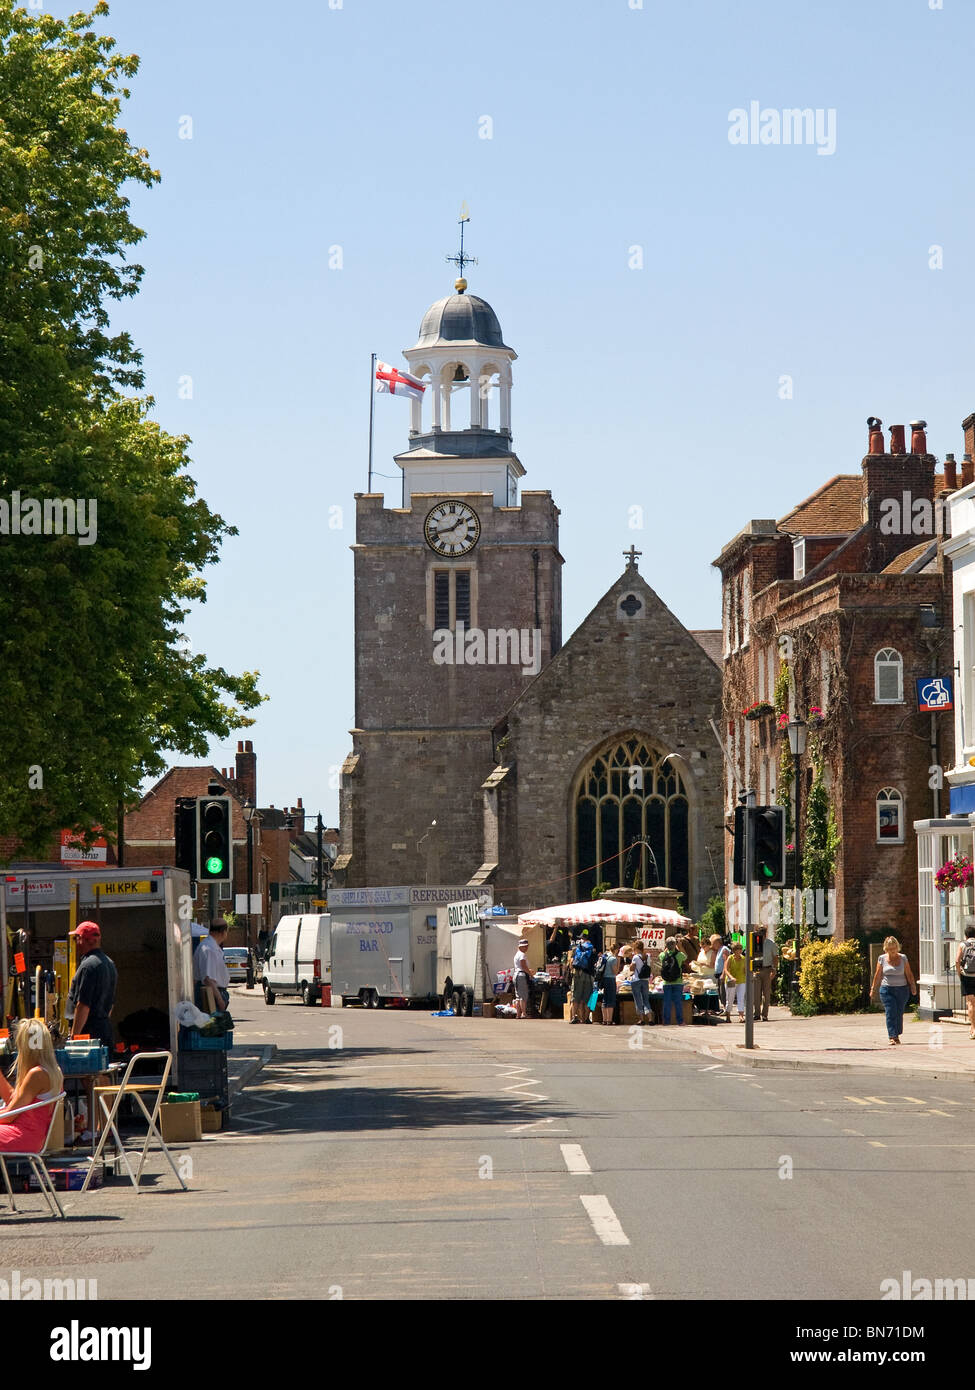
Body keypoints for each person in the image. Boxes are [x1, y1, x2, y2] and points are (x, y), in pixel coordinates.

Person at [0, 1019, 63, 1153]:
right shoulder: (52, 1071)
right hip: (30, 1136)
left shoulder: (36, 1074)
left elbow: (10, 1115)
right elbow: (15, 1103)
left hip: (21, 1135)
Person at [65, 920, 117, 1049]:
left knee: (86, 1069)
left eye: (76, 938)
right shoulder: (109, 964)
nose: (75, 943)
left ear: (84, 940)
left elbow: (83, 1005)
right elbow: (111, 1005)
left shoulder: (88, 966)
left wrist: (74, 1038)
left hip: (88, 1034)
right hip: (104, 1030)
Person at [870, 936, 916, 1046]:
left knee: (899, 1013)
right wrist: (873, 989)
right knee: (890, 1012)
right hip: (887, 989)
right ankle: (892, 1036)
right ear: (885, 949)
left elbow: (908, 974)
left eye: (894, 948)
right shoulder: (882, 958)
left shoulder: (903, 958)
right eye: (889, 949)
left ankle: (897, 1033)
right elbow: (877, 975)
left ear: (897, 947)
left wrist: (913, 986)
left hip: (902, 989)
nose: (892, 951)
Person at [194, 920, 231, 1012]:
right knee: (211, 1025)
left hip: (213, 993)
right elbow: (208, 979)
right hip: (211, 995)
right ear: (223, 932)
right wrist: (220, 1000)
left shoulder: (211, 946)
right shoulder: (209, 949)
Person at [569, 931, 596, 1023]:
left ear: (583, 939)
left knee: (576, 997)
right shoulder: (593, 950)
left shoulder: (577, 949)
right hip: (589, 975)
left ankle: (574, 1017)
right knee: (588, 998)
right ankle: (587, 1018)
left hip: (578, 974)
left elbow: (572, 963)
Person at [752, 928, 779, 1022]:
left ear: (765, 934)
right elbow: (750, 955)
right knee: (756, 993)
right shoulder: (754, 943)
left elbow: (775, 957)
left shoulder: (770, 944)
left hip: (767, 969)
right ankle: (756, 1014)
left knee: (766, 993)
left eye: (763, 933)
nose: (761, 935)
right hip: (756, 970)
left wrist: (774, 969)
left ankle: (765, 1015)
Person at [659, 936, 686, 1025]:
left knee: (667, 1002)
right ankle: (680, 1021)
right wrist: (680, 946)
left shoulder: (663, 955)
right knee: (678, 1002)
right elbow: (685, 957)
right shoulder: (679, 955)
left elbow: (661, 955)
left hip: (666, 982)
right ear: (675, 945)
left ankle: (666, 1021)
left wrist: (666, 948)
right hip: (678, 982)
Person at [956, 925, 975, 1039]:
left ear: (966, 935)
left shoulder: (963, 944)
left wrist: (960, 973)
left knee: (971, 1003)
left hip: (967, 976)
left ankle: (973, 1028)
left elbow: (957, 960)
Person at [724, 940, 747, 1021]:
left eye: (741, 948)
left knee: (741, 998)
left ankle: (741, 1016)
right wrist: (731, 977)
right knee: (730, 998)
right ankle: (728, 1015)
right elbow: (726, 969)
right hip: (731, 981)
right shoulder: (730, 958)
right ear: (734, 950)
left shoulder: (744, 958)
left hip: (741, 980)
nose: (740, 950)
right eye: (738, 949)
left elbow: (745, 970)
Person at [597, 943, 618, 1025]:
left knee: (605, 999)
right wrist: (618, 961)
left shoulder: (605, 956)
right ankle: (609, 1020)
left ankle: (604, 1019)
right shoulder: (613, 959)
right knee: (611, 999)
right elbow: (615, 971)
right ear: (616, 950)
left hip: (604, 979)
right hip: (611, 979)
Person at [513, 938, 534, 1019]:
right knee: (523, 995)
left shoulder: (517, 954)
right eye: (525, 946)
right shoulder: (522, 954)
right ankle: (524, 1013)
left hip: (516, 974)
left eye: (526, 946)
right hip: (521, 975)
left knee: (518, 996)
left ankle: (518, 1014)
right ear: (521, 947)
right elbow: (523, 966)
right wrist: (530, 974)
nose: (526, 948)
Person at [713, 935, 731, 1012]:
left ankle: (725, 1009)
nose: (712, 945)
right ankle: (724, 1008)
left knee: (723, 992)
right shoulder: (719, 949)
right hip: (718, 974)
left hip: (722, 974)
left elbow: (726, 962)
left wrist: (723, 974)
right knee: (720, 993)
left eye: (713, 943)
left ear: (718, 942)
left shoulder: (724, 949)